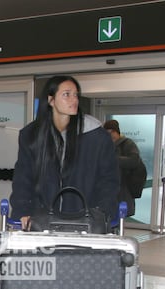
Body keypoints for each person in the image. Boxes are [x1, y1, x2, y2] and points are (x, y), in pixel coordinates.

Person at [10, 75, 119, 229]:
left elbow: (109, 180)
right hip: (42, 220)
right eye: (67, 94)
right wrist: (23, 209)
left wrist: (103, 213)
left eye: (75, 95)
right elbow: (23, 178)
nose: (74, 100)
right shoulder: (31, 135)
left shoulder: (96, 136)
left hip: (86, 220)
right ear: (51, 100)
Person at [103, 119, 142, 217]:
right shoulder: (106, 145)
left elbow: (134, 160)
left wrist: (113, 159)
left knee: (120, 217)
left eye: (111, 132)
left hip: (123, 189)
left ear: (116, 132)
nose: (109, 135)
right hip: (109, 189)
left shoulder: (128, 144)